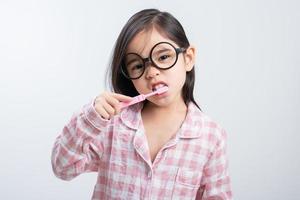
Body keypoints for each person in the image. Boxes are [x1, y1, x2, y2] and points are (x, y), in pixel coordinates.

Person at [51, 8, 233, 200]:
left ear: (188, 58)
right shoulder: (111, 123)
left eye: (163, 57)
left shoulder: (211, 136)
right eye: (138, 65)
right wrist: (90, 118)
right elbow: (63, 168)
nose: (152, 72)